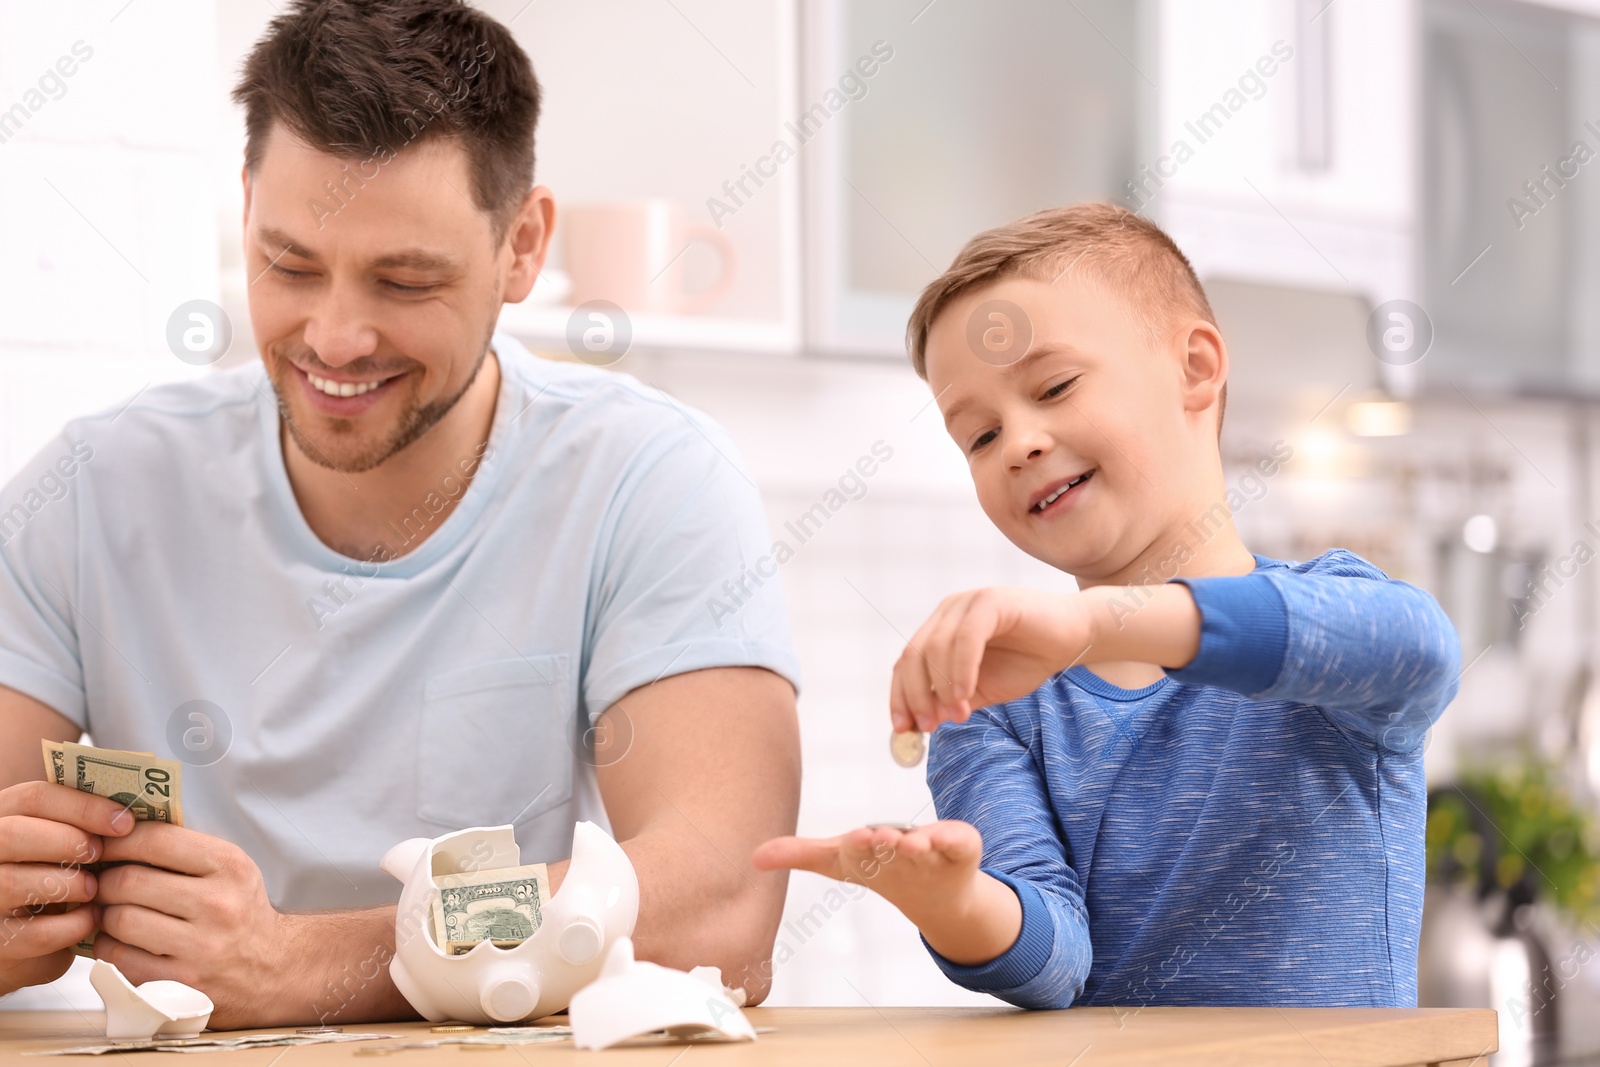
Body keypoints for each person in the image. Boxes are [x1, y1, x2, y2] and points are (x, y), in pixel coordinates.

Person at [0, 0, 801, 1028]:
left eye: (405, 279)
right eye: (289, 264)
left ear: (522, 246)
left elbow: (722, 900)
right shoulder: (89, 489)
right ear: (245, 208)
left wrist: (304, 960)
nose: (333, 337)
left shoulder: (648, 477)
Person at [755, 203, 1459, 1009]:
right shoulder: (994, 706)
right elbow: (1057, 965)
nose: (1017, 442)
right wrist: (956, 905)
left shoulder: (1322, 622)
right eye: (979, 436)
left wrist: (1099, 622)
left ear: (1195, 368)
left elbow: (1421, 648)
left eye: (1053, 386)